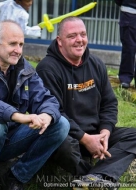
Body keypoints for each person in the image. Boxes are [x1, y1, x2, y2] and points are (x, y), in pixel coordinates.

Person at [0, 20, 69, 190]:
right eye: (13, 44)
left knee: (60, 124)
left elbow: (47, 99)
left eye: (21, 44)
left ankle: (16, 177)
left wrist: (46, 115)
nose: (18, 50)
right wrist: (19, 116)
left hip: (10, 139)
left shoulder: (25, 69)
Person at [36, 16, 136, 189]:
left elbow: (109, 103)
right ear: (59, 41)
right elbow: (55, 113)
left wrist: (105, 132)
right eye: (72, 36)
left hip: (96, 133)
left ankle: (96, 177)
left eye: (83, 34)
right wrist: (85, 139)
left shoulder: (96, 64)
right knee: (59, 142)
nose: (79, 40)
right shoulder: (47, 68)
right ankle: (90, 175)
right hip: (68, 136)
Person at [114, 0, 136, 89]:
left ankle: (125, 79)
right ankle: (125, 79)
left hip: (129, 12)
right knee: (129, 48)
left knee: (128, 48)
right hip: (129, 12)